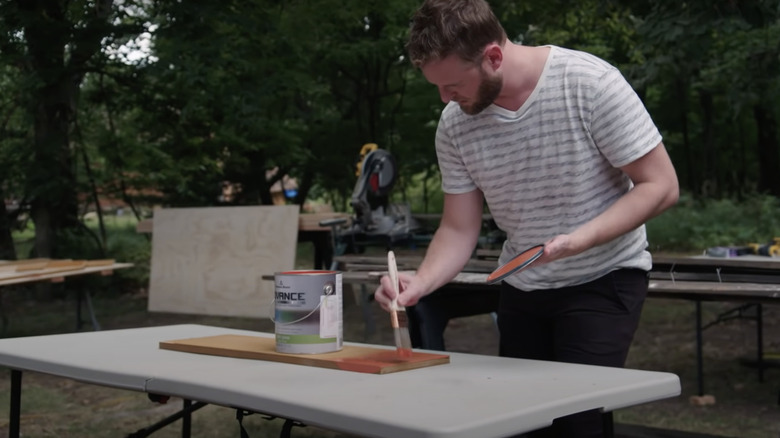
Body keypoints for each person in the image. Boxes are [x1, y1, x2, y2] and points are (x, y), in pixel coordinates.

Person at [373, 0, 680, 437]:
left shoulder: (589, 84)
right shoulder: (454, 125)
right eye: (437, 87)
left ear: (493, 56)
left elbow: (661, 185)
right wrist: (420, 282)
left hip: (603, 277)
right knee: (523, 424)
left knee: (577, 424)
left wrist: (580, 238)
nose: (445, 99)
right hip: (523, 285)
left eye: (453, 84)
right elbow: (459, 228)